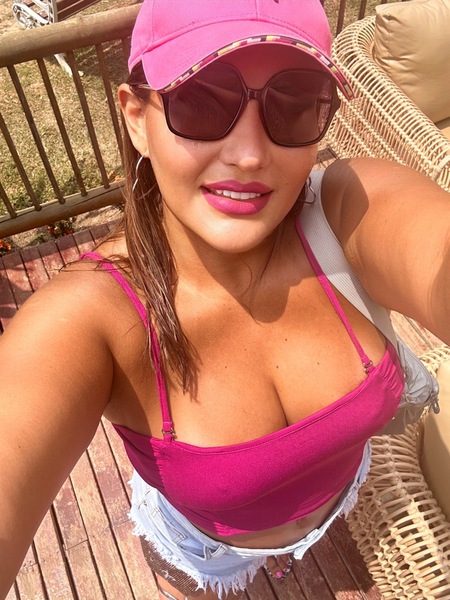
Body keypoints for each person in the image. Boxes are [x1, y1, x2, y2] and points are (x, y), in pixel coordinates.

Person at [1, 0, 449, 598]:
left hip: (340, 496)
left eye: (294, 104)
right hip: (203, 550)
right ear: (137, 117)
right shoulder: (91, 318)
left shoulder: (350, 213)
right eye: (202, 102)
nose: (249, 155)